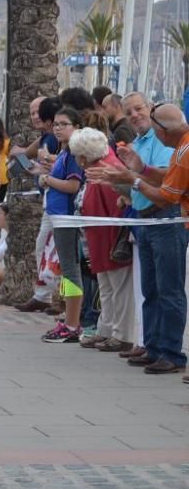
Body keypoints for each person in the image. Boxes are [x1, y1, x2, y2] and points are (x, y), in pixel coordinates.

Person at [87, 103, 188, 375]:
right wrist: (139, 169)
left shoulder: (181, 149)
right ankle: (155, 346)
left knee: (170, 289)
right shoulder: (177, 147)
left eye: (139, 109)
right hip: (147, 219)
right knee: (152, 288)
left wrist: (132, 178)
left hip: (166, 219)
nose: (135, 116)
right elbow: (166, 177)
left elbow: (166, 195)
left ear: (163, 130)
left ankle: (172, 352)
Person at [68, 127, 136, 352]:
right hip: (99, 237)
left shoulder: (106, 171)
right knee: (107, 287)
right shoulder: (101, 168)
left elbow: (117, 210)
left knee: (118, 288)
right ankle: (106, 329)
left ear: (84, 156)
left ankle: (121, 333)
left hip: (109, 238)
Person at [39, 106, 85, 343]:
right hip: (58, 217)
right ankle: (70, 317)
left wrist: (48, 179)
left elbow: (72, 186)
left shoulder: (75, 153)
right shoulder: (65, 152)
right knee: (66, 271)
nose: (57, 128)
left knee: (70, 270)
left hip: (67, 218)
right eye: (55, 124)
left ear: (76, 127)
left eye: (63, 124)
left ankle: (73, 323)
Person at [13, 96, 63, 313]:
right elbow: (25, 154)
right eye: (32, 113)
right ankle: (43, 295)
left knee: (59, 253)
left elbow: (52, 165)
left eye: (38, 113)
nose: (35, 117)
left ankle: (59, 297)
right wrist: (19, 160)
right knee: (42, 248)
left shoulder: (54, 138)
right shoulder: (45, 137)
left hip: (59, 202)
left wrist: (42, 169)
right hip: (48, 200)